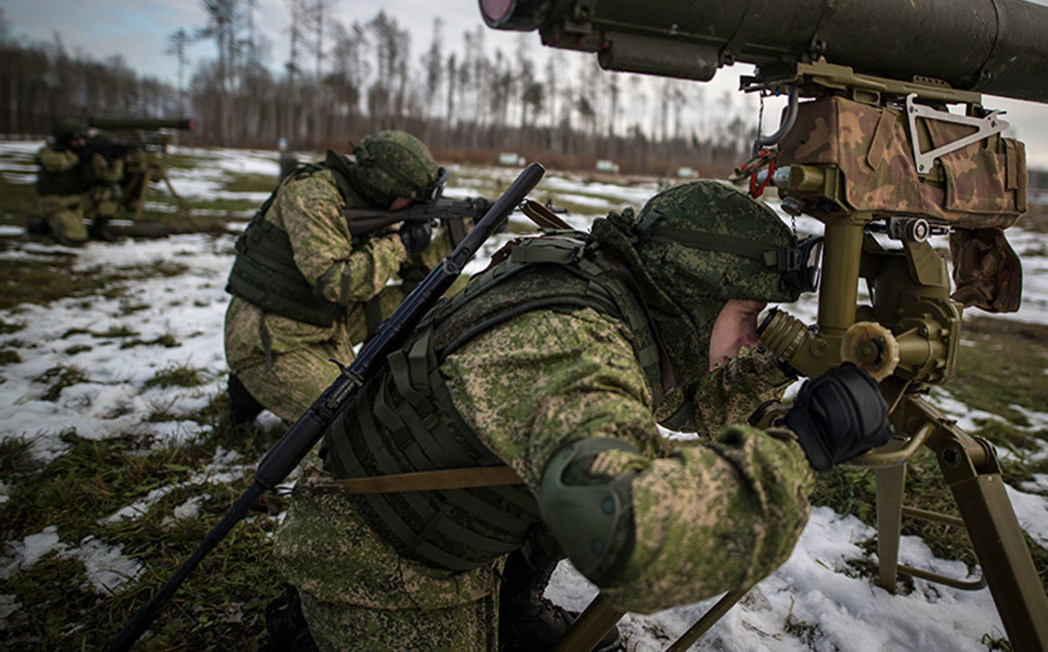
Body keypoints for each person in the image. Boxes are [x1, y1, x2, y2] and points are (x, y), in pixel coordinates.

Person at [270, 179, 892, 651]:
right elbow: (626, 536)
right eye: (749, 317)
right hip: (384, 564)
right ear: (696, 295)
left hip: (441, 519)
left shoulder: (613, 283)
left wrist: (778, 371)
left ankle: (509, 604)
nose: (753, 338)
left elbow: (677, 401)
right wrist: (799, 454)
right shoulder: (566, 339)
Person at [223, 130, 454, 425]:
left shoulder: (369, 201)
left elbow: (417, 277)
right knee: (356, 422)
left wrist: (456, 237)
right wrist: (399, 243)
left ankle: (263, 388)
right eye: (409, 199)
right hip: (273, 336)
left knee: (440, 296)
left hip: (325, 321)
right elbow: (334, 281)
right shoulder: (314, 196)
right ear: (386, 188)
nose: (412, 207)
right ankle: (255, 380)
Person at [32, 119, 126, 244]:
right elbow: (57, 163)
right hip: (56, 203)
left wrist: (116, 160)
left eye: (83, 139)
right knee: (76, 238)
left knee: (111, 190)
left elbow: (110, 177)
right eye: (76, 140)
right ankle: (46, 224)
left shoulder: (84, 152)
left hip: (79, 199)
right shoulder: (49, 152)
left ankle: (99, 229)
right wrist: (79, 156)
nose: (81, 143)